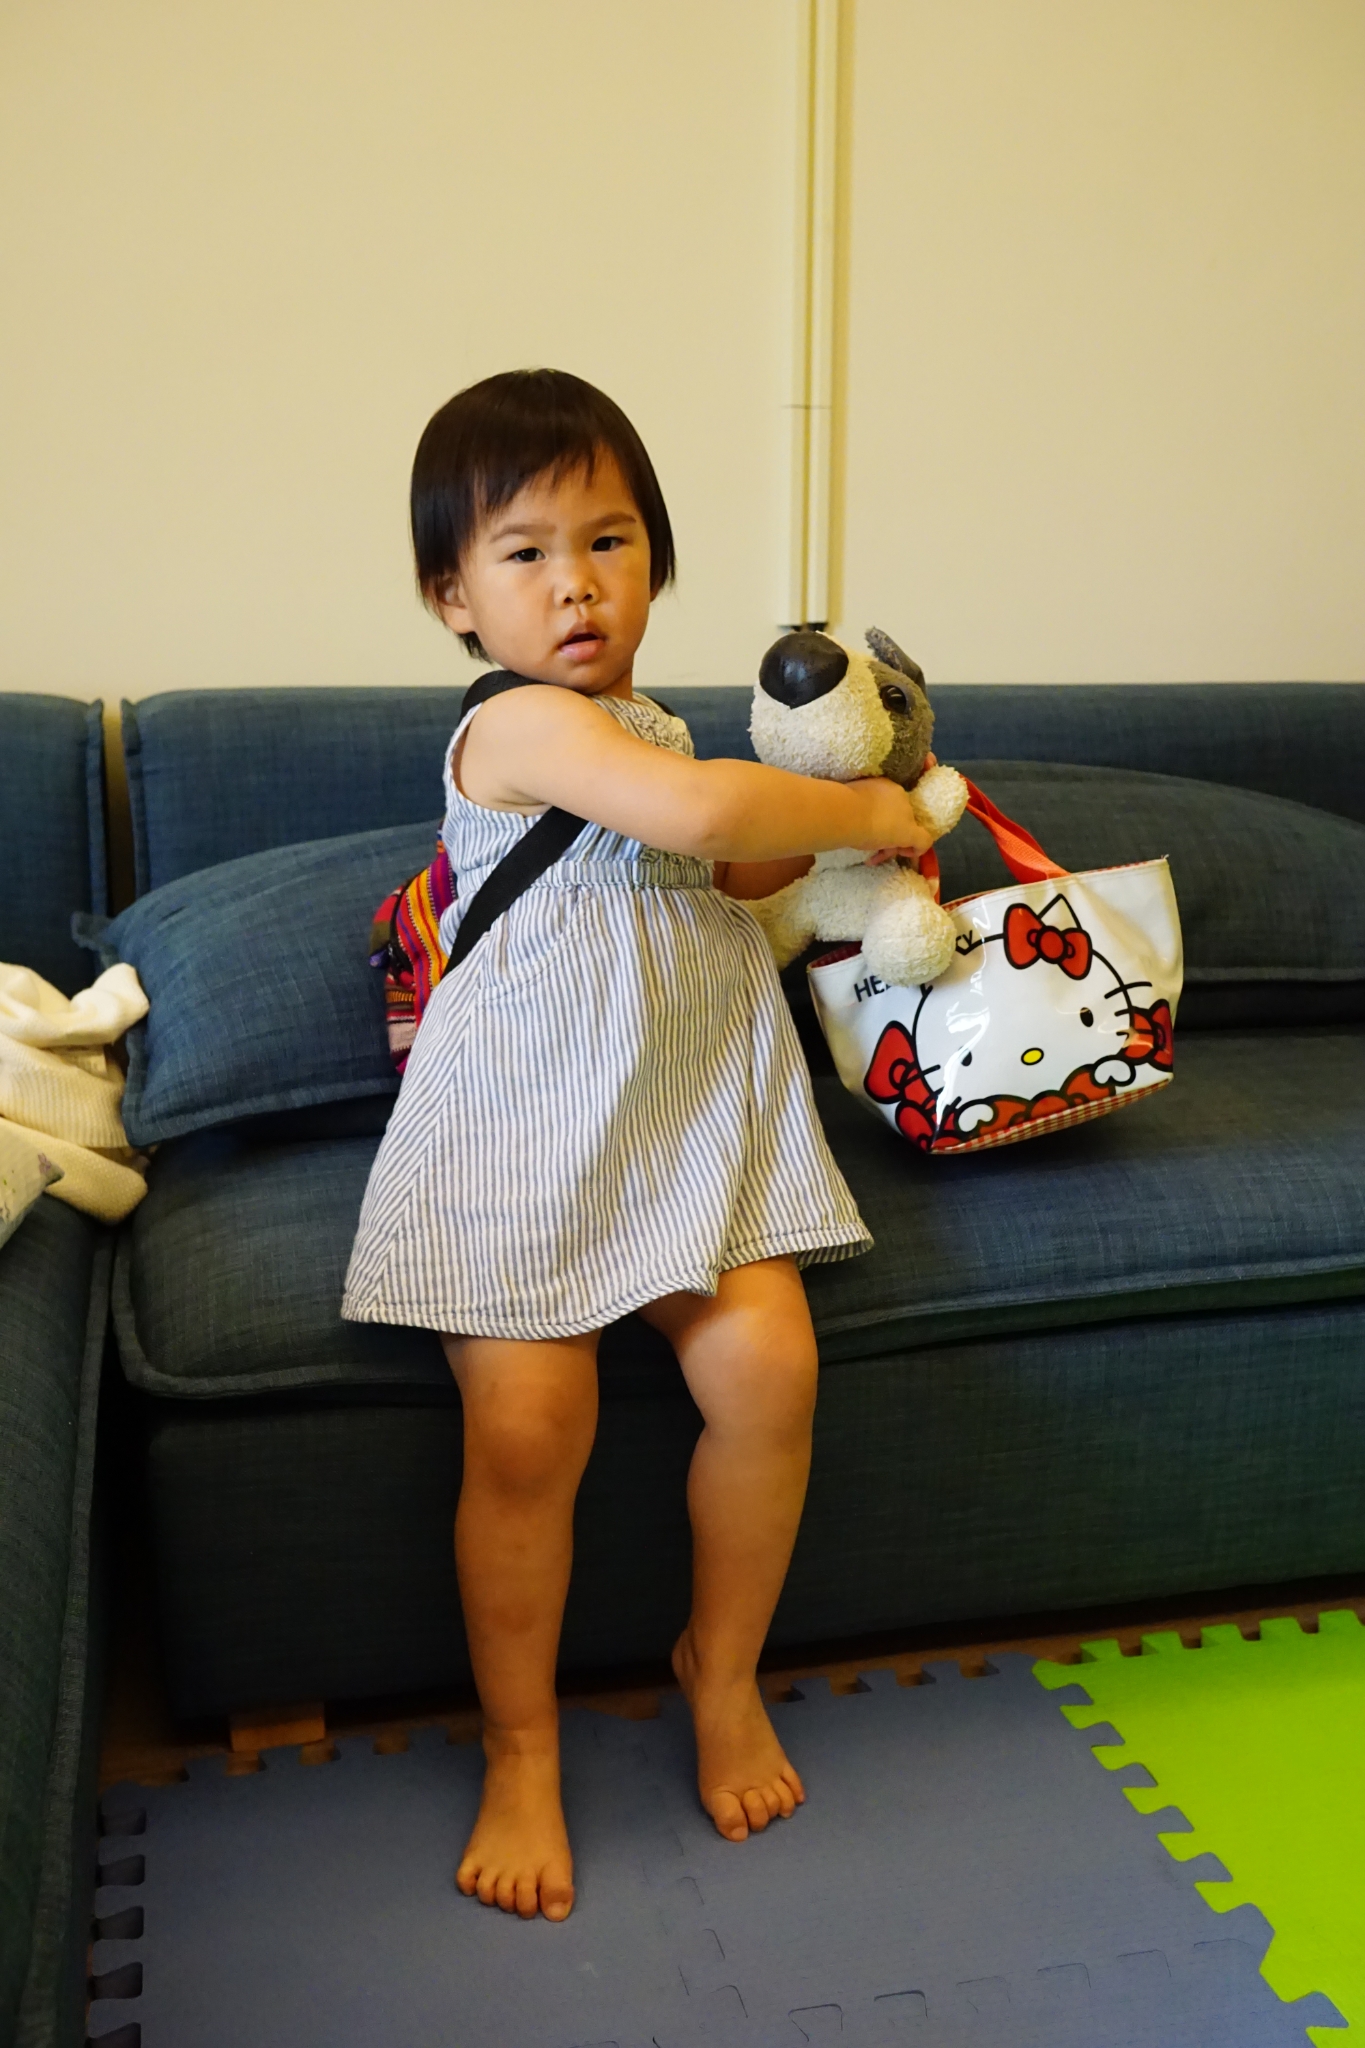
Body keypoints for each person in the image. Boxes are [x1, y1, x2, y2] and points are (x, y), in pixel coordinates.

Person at [342, 368, 931, 1923]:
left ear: (653, 563)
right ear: (454, 599)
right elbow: (694, 817)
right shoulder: (517, 725)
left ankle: (717, 1671)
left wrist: (850, 831)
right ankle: (520, 1745)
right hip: (520, 1140)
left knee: (769, 1378)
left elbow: (724, 872)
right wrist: (862, 812)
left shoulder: (654, 727)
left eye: (608, 542)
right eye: (524, 553)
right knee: (527, 1434)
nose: (576, 584)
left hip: (686, 1129)